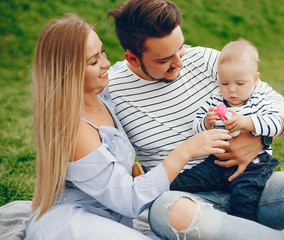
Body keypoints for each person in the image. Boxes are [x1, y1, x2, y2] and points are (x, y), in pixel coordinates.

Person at [106, 0, 284, 239]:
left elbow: (275, 101)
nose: (180, 62)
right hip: (188, 200)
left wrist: (260, 139)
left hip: (248, 184)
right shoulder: (113, 93)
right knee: (166, 211)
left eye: (180, 48)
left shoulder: (206, 60)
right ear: (132, 58)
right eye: (165, 59)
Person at [25, 14, 231, 240]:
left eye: (102, 51)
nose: (106, 62)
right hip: (72, 222)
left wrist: (168, 56)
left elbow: (129, 69)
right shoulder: (76, 130)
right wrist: (187, 150)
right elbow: (130, 200)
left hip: (111, 219)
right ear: (67, 72)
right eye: (93, 61)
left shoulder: (103, 97)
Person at [170, 38, 282, 221]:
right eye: (224, 83)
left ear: (255, 80)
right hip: (216, 162)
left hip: (253, 164)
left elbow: (274, 124)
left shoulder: (259, 101)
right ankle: (151, 179)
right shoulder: (215, 101)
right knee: (187, 180)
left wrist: (247, 123)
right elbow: (196, 127)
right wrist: (207, 123)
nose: (232, 90)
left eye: (240, 84)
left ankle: (244, 228)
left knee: (244, 197)